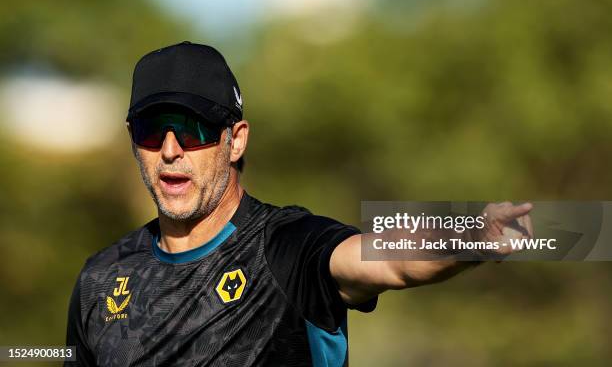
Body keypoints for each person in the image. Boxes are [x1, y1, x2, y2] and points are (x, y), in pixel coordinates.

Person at [64, 42, 534, 366]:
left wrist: (471, 234)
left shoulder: (288, 247)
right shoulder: (100, 279)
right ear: (133, 141)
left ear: (235, 141)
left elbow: (389, 260)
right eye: (152, 129)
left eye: (193, 130)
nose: (170, 150)